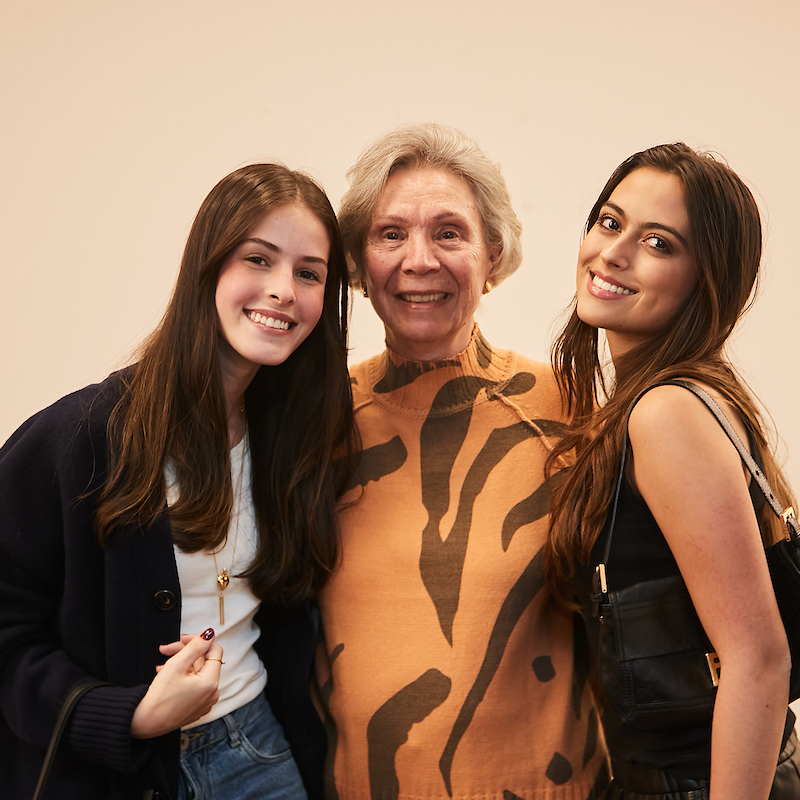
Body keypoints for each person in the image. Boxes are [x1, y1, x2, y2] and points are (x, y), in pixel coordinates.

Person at [0, 163, 354, 800]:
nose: (284, 290)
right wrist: (128, 715)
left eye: (308, 273)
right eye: (258, 260)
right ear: (207, 268)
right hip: (118, 776)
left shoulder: (299, 439)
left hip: (257, 753)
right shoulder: (80, 437)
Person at [318, 123, 608, 799]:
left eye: (449, 232)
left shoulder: (565, 409)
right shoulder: (314, 424)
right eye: (391, 234)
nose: (419, 260)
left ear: (493, 254)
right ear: (358, 263)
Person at [546, 143, 800, 799]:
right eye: (610, 223)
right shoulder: (669, 400)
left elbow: (758, 659)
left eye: (660, 244)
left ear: (709, 278)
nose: (613, 253)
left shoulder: (666, 413)